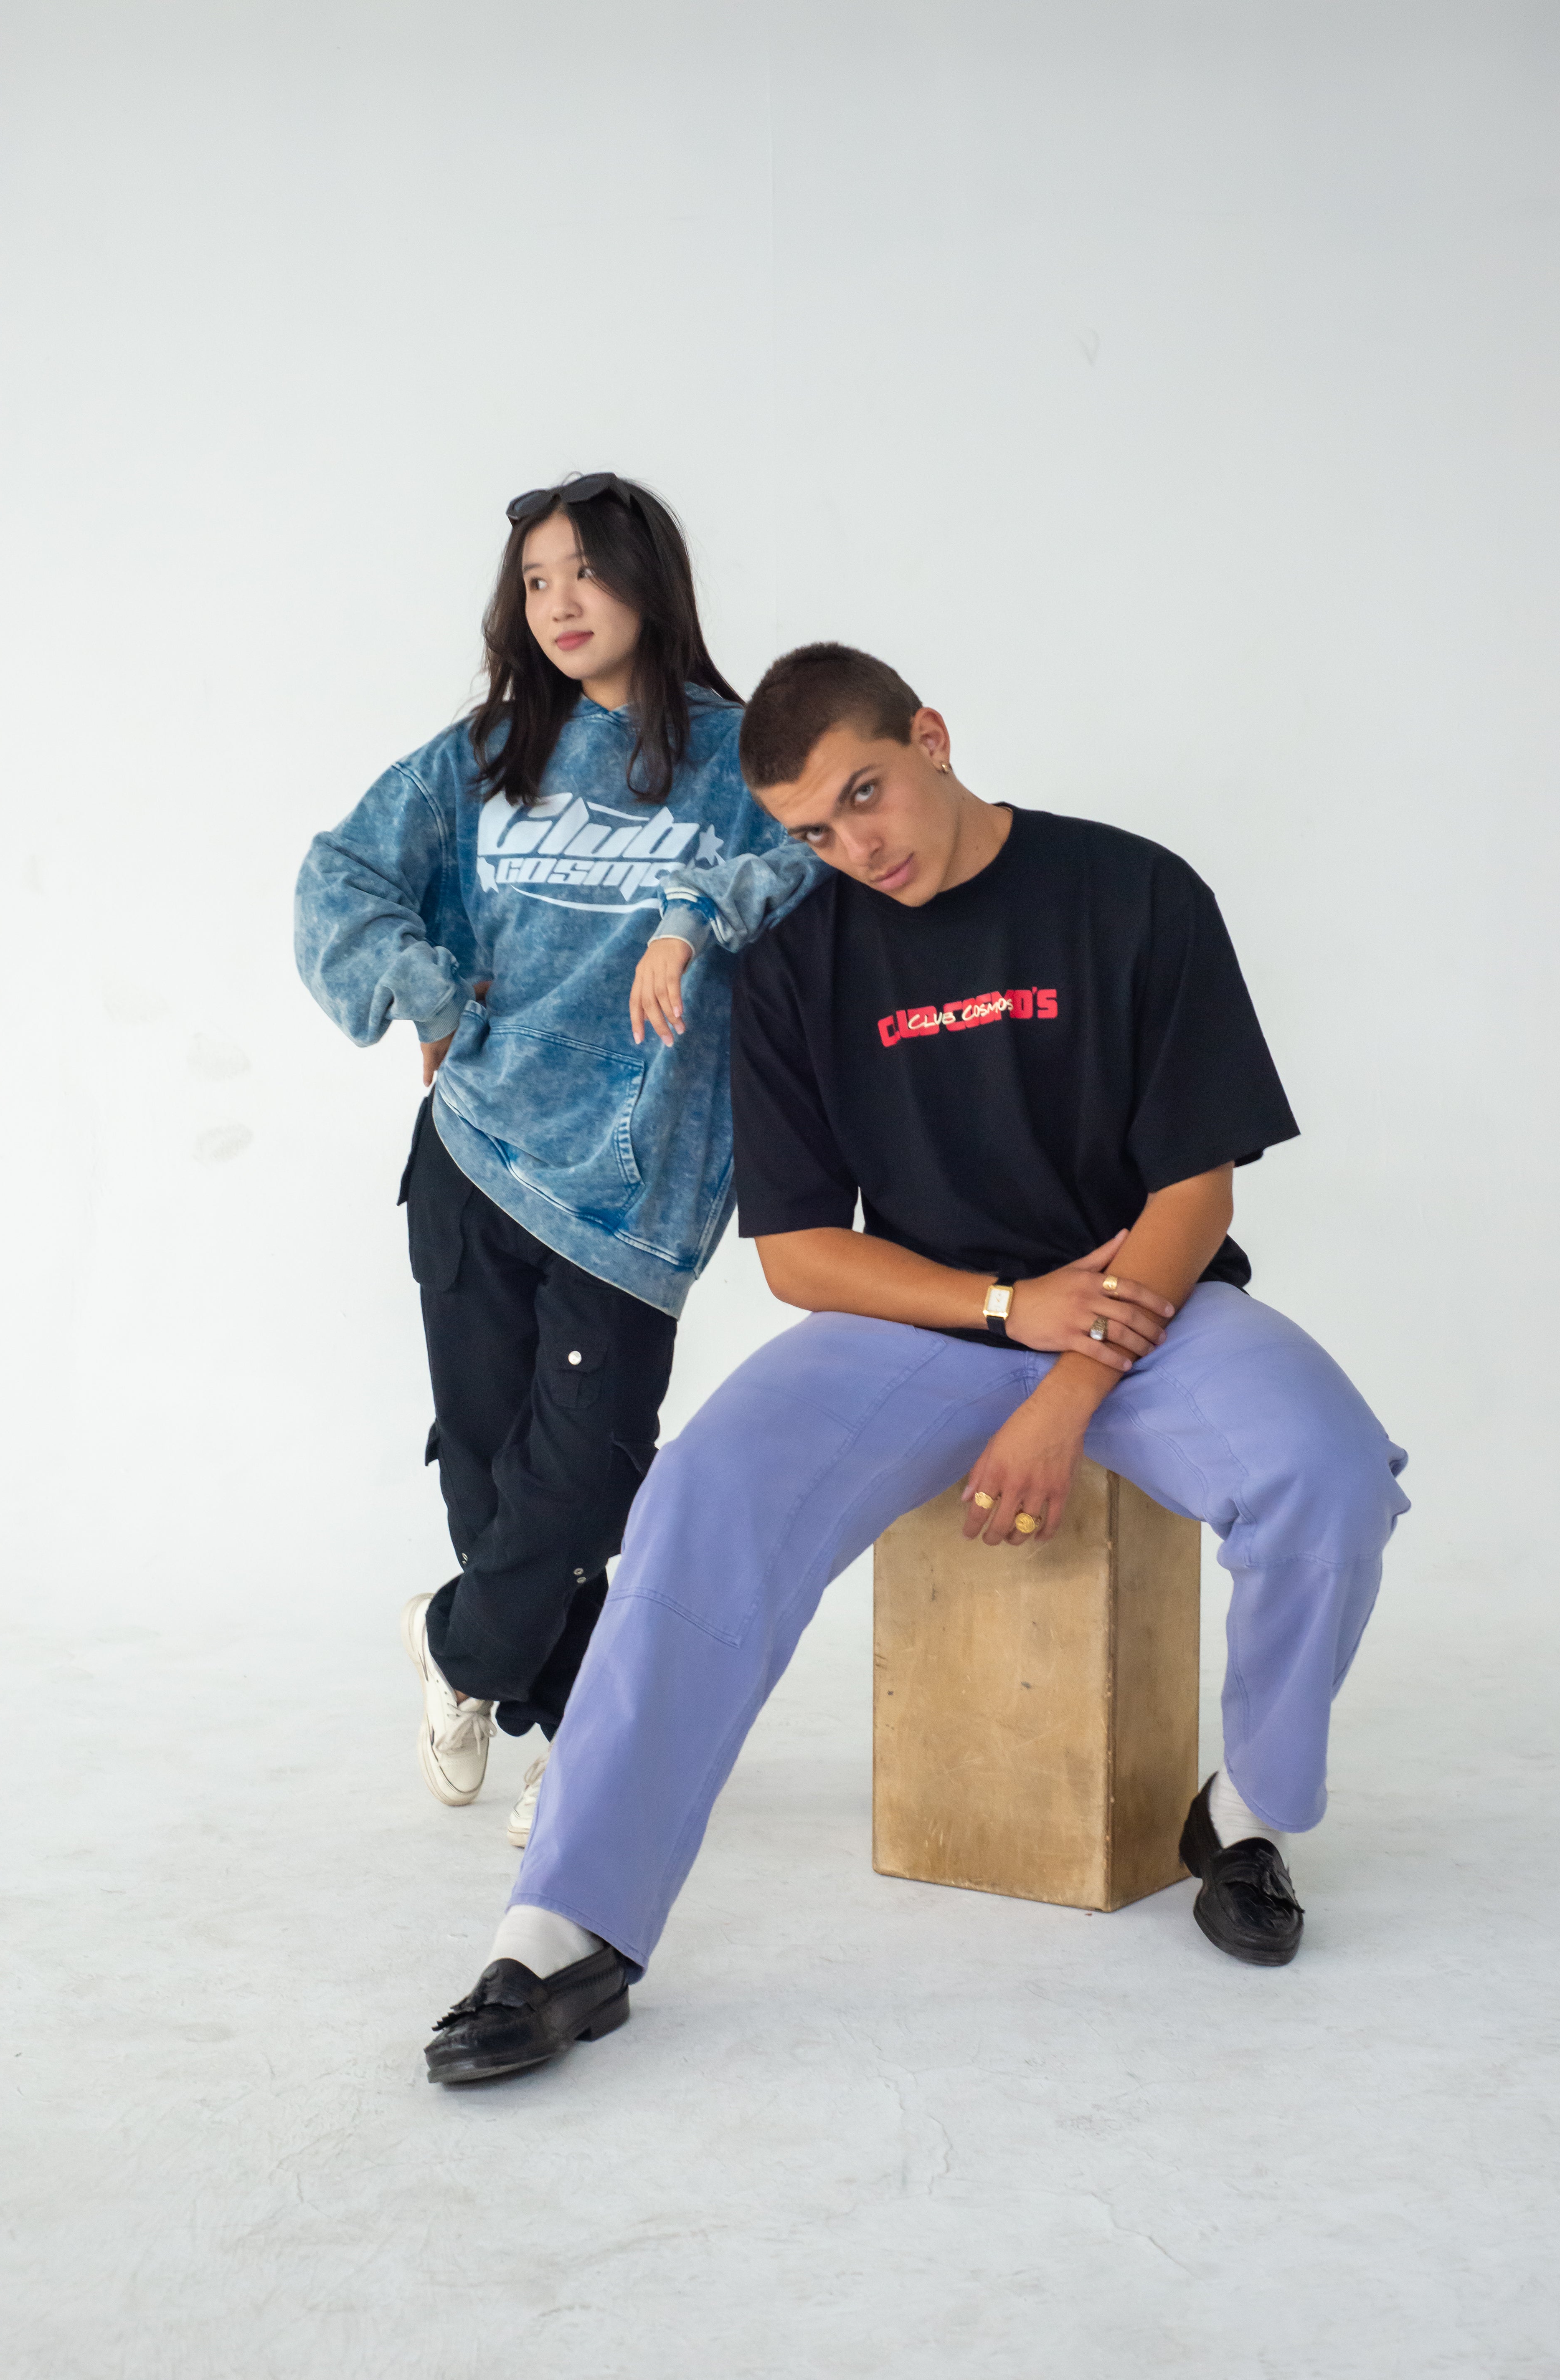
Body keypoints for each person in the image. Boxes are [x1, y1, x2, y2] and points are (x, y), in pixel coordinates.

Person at [423, 641, 1411, 2085]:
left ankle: (1248, 1812)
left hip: (1154, 1306)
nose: (852, 847)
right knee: (700, 1491)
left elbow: (1195, 1197)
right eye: (813, 831)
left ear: (931, 738)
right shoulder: (792, 958)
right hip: (931, 1318)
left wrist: (1071, 1384)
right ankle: (566, 1927)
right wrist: (1012, 1313)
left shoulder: (1133, 893)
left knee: (1332, 1474)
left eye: (866, 796)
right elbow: (805, 1256)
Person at [294, 474, 817, 1846]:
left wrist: (693, 911)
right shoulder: (485, 752)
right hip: (472, 1149)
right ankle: (584, 1740)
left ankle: (455, 1648)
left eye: (585, 570)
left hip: (637, 1191)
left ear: (649, 579)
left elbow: (817, 859)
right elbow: (339, 874)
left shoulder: (739, 752)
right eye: (536, 580)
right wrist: (418, 978)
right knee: (487, 1474)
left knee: (580, 1479)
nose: (561, 602)